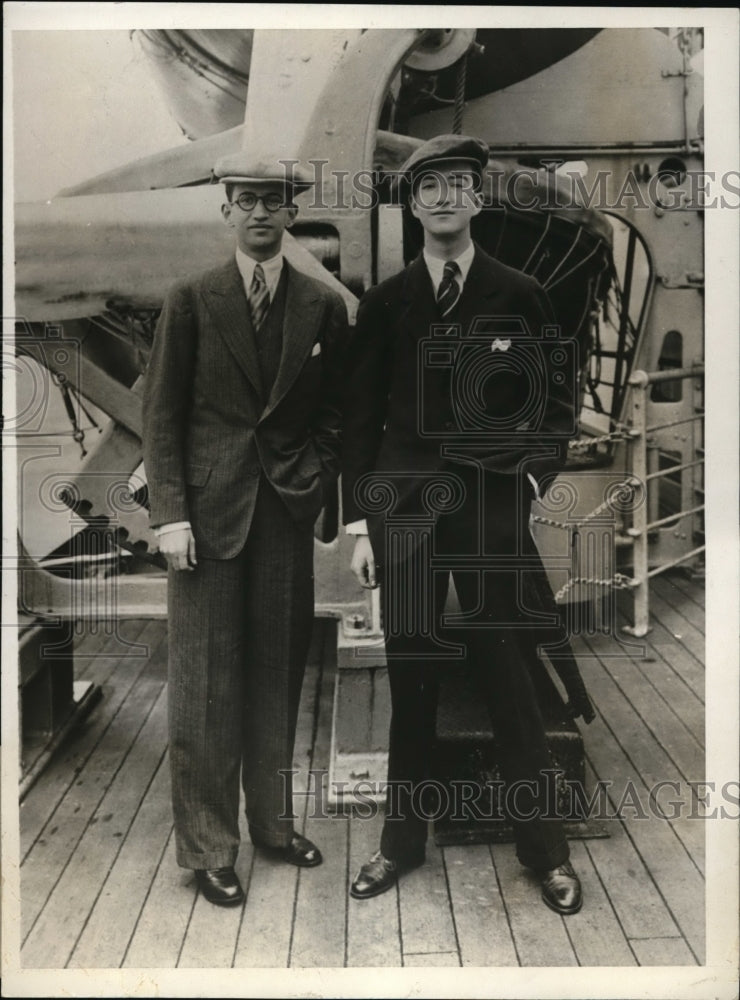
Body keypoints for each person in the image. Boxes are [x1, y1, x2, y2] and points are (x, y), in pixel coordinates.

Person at [341, 134, 583, 915]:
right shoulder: (386, 304)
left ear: (477, 199)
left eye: (457, 185)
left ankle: (545, 852)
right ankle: (399, 844)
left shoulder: (519, 294)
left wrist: (531, 478)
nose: (444, 199)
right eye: (429, 188)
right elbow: (360, 421)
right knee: (412, 679)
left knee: (509, 675)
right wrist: (361, 524)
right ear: (412, 205)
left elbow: (555, 404)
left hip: (489, 513)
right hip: (405, 515)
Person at [142, 152, 347, 906]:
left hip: (283, 513)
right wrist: (170, 514)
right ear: (226, 210)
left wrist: (315, 477)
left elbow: (334, 412)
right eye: (247, 200)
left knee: (276, 676)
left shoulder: (321, 306)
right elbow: (161, 415)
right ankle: (208, 848)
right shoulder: (191, 299)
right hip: (204, 520)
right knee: (203, 687)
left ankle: (273, 825)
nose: (260, 212)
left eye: (274, 200)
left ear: (293, 212)